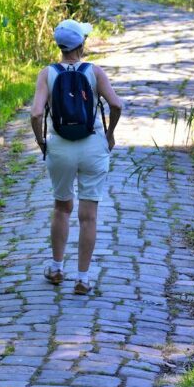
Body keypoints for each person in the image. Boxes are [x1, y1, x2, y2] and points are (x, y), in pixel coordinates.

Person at [30, 19, 123, 295]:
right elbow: (116, 104)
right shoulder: (94, 71)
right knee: (88, 215)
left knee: (61, 207)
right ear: (82, 45)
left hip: (60, 147)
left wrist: (41, 142)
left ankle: (57, 268)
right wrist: (110, 134)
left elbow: (36, 113)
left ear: (60, 46)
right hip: (92, 145)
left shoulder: (47, 74)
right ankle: (83, 278)